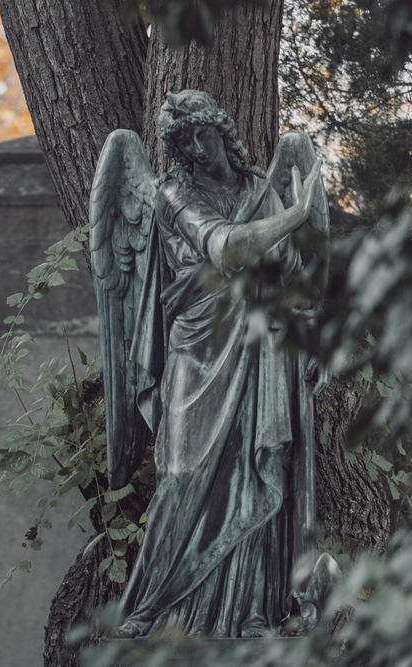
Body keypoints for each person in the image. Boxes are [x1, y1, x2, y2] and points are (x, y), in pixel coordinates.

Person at [113, 90, 322, 638]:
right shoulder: (170, 193)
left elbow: (287, 268)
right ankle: (152, 606)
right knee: (182, 473)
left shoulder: (257, 188)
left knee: (251, 478)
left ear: (221, 130)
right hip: (198, 347)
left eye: (200, 134)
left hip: (256, 346)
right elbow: (227, 249)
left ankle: (247, 611)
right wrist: (297, 213)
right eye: (181, 141)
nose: (195, 149)